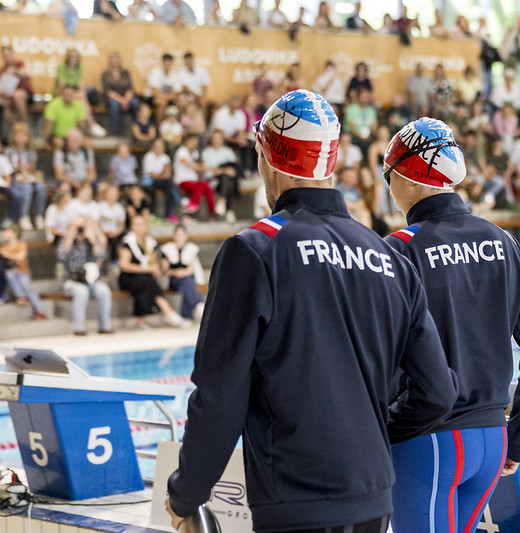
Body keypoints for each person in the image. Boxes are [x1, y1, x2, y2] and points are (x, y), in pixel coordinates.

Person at [166, 90, 457, 533]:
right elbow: (437, 391)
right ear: (331, 162)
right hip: (374, 499)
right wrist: (373, 433)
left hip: (296, 502)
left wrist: (187, 493)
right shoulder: (389, 257)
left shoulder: (255, 252)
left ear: (267, 155)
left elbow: (220, 394)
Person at [382, 118, 520, 531]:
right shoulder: (501, 240)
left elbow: (377, 356)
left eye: (388, 175)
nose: (388, 187)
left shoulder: (401, 248)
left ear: (408, 175)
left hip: (428, 442)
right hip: (493, 444)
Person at [119, 215, 188, 328]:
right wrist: (146, 269)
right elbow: (124, 265)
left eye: (142, 224)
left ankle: (142, 320)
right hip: (128, 277)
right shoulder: (127, 242)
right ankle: (168, 312)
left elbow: (153, 263)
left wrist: (155, 269)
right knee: (147, 282)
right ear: (132, 227)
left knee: (148, 281)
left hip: (144, 277)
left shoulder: (149, 242)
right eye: (137, 224)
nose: (140, 227)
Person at [58, 218, 113, 335]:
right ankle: (79, 328)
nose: (80, 230)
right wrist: (69, 238)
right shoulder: (66, 241)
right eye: (77, 227)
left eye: (82, 227)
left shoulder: (91, 241)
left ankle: (105, 327)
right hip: (71, 281)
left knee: (104, 291)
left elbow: (101, 257)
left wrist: (93, 238)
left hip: (90, 280)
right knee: (81, 292)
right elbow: (62, 257)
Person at [52, 49, 105, 138]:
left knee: (82, 98)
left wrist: (80, 94)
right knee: (81, 99)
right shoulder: (62, 67)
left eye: (75, 57)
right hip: (61, 93)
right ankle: (92, 124)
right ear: (67, 58)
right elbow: (62, 85)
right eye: (71, 57)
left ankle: (89, 127)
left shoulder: (79, 68)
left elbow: (81, 85)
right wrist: (75, 94)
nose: (73, 59)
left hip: (75, 94)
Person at [0, 225, 47, 320]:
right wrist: (14, 256)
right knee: (10, 274)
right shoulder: (3, 246)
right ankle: (21, 296)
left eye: (7, 231)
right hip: (11, 273)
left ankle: (40, 311)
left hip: (22, 271)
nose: (4, 234)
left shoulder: (21, 244)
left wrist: (9, 255)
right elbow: (9, 256)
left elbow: (21, 256)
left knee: (28, 288)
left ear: (15, 234)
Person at [6, 122, 46, 230]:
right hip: (16, 178)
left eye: (24, 136)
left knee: (41, 187)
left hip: (28, 176)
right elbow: (6, 168)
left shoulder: (30, 150)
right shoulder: (9, 151)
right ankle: (24, 216)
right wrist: (18, 168)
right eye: (19, 135)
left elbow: (33, 166)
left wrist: (27, 168)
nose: (22, 138)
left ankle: (39, 216)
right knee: (27, 188)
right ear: (14, 136)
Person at [201, 130, 238, 222]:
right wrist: (223, 171)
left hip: (227, 178)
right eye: (214, 138)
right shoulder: (206, 152)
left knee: (227, 178)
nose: (217, 140)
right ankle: (229, 210)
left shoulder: (228, 151)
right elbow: (207, 170)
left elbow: (234, 167)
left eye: (219, 138)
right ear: (211, 139)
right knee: (226, 178)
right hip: (212, 178)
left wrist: (226, 171)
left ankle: (222, 201)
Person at [174, 134, 215, 216]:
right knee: (199, 186)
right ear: (187, 141)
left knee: (208, 188)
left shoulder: (194, 153)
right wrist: (204, 168)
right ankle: (192, 206)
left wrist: (201, 164)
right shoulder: (181, 151)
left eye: (196, 143)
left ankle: (212, 213)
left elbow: (198, 164)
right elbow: (188, 164)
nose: (194, 145)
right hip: (183, 181)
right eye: (193, 142)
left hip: (194, 181)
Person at [101, 51, 139, 135]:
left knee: (134, 102)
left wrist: (126, 99)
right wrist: (121, 100)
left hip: (126, 97)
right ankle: (114, 130)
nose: (114, 60)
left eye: (116, 58)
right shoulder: (105, 74)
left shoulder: (126, 73)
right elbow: (107, 91)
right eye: (112, 58)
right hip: (112, 98)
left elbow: (130, 88)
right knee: (114, 104)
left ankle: (135, 127)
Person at [143, 138, 178, 222]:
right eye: (157, 146)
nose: (159, 148)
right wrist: (163, 172)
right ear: (153, 147)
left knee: (170, 190)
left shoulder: (166, 157)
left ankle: (169, 214)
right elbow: (153, 176)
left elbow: (168, 174)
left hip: (163, 182)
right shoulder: (148, 157)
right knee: (170, 185)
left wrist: (162, 173)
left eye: (161, 146)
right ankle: (179, 201)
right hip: (150, 182)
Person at [0, 45, 32, 123]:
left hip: (25, 94)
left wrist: (15, 71)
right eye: (4, 56)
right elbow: (1, 88)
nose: (7, 57)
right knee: (3, 103)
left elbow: (25, 73)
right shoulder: (2, 70)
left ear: (12, 54)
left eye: (8, 55)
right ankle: (14, 128)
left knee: (17, 95)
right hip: (10, 96)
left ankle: (24, 124)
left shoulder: (20, 64)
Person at [147, 54, 180, 121]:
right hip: (152, 99)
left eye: (169, 63)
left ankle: (177, 128)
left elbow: (176, 94)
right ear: (162, 63)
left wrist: (167, 97)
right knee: (162, 103)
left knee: (181, 102)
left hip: (167, 99)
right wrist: (169, 97)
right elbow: (155, 93)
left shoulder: (175, 75)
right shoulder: (155, 73)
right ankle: (160, 129)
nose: (168, 65)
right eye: (166, 62)